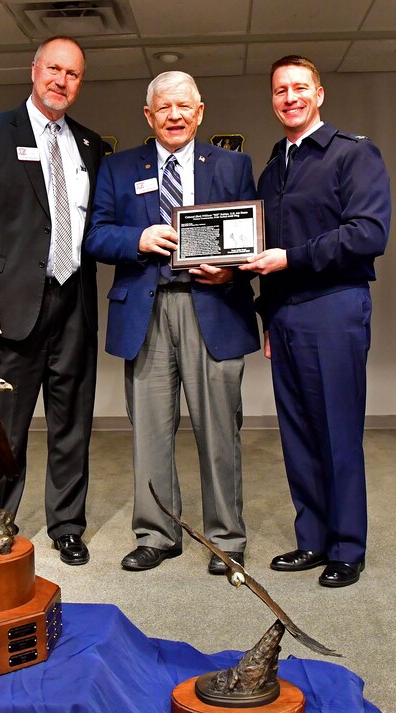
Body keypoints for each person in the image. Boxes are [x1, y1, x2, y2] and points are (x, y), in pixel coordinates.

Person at [85, 71, 260, 573]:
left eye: (184, 106)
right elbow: (96, 236)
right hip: (146, 310)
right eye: (164, 108)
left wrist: (229, 268)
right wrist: (136, 240)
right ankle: (157, 534)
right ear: (149, 116)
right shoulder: (119, 169)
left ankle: (226, 539)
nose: (175, 116)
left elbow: (247, 238)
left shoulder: (232, 165)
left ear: (200, 112)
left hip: (214, 306)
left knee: (220, 432)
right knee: (151, 432)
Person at [0, 37, 103, 565]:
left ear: (81, 83)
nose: (62, 81)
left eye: (74, 74)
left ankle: (66, 525)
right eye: (54, 69)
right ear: (34, 70)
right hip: (10, 309)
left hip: (74, 305)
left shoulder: (89, 145)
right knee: (5, 427)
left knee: (71, 424)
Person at [240, 55, 391, 587]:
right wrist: (267, 315)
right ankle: (313, 541)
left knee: (338, 429)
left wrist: (291, 258)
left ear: (319, 94)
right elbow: (262, 252)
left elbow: (368, 234)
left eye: (300, 87)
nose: (290, 98)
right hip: (285, 315)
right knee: (298, 432)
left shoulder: (354, 154)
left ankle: (348, 546)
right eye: (280, 90)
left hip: (334, 305)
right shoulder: (271, 167)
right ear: (273, 99)